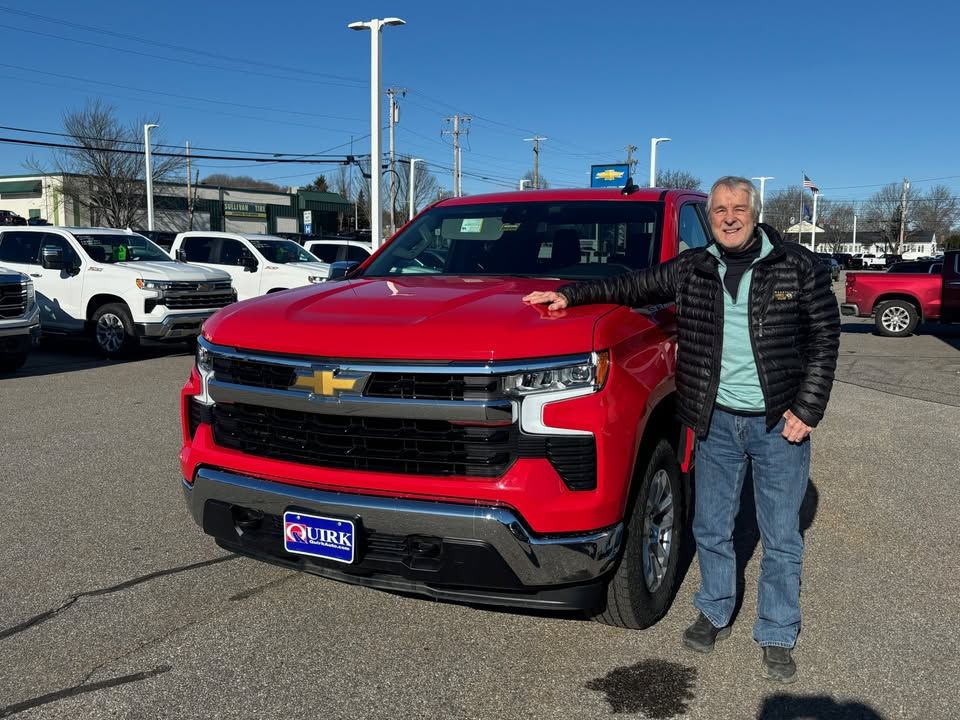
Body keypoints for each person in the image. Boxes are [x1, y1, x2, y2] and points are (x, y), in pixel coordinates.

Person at [523, 176, 840, 683]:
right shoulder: (694, 268)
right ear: (709, 216)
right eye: (720, 210)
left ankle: (777, 632)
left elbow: (825, 337)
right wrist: (568, 295)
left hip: (779, 423)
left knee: (781, 536)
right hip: (713, 422)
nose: (730, 217)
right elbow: (629, 284)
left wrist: (807, 408)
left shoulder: (794, 266)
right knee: (712, 528)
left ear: (754, 212)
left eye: (739, 208)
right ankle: (714, 610)